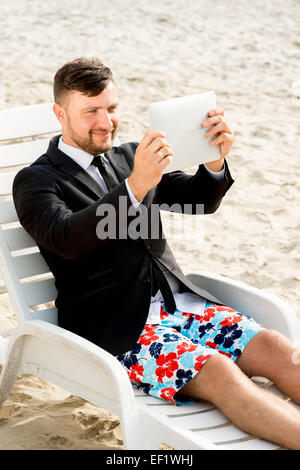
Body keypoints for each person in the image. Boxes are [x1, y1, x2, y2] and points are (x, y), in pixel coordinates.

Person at [13, 57, 300, 449]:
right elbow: (66, 238)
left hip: (180, 304)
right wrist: (133, 188)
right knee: (218, 371)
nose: (106, 121)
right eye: (91, 111)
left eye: (112, 109)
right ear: (59, 113)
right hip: (118, 328)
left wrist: (214, 161)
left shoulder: (130, 155)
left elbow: (199, 199)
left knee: (277, 349)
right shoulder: (35, 180)